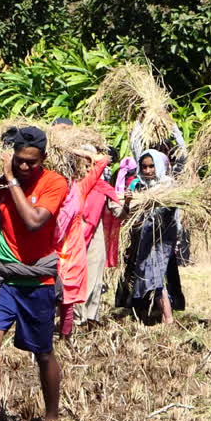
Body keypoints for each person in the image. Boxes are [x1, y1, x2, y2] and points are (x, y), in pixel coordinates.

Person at [0, 126, 68, 421]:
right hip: (3, 277)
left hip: (37, 281)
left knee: (43, 352)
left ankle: (52, 417)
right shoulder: (0, 184)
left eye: (31, 162)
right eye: (19, 160)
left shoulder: (55, 183)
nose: (24, 167)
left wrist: (10, 181)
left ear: (44, 159)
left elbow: (34, 221)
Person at [115, 150, 183, 323]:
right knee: (143, 274)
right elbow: (127, 214)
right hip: (143, 237)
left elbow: (171, 211)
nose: (147, 170)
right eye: (144, 167)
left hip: (162, 237)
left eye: (151, 166)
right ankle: (145, 315)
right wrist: (129, 202)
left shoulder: (166, 185)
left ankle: (168, 318)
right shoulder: (137, 185)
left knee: (157, 275)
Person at [53, 144, 110, 339]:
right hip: (51, 249)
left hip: (74, 250)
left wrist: (77, 151)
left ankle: (65, 335)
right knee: (47, 293)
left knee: (68, 297)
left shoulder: (80, 188)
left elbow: (102, 161)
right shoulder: (50, 187)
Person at [73, 146, 132, 329]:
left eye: (91, 163)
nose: (88, 167)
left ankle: (90, 318)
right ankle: (75, 318)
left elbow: (119, 213)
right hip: (73, 234)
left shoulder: (102, 187)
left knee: (94, 277)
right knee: (74, 277)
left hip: (95, 233)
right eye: (84, 163)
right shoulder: (72, 183)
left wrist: (127, 204)